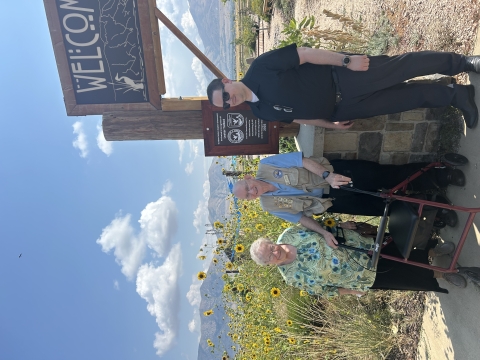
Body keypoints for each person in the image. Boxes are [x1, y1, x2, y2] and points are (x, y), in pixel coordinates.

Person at [207, 44, 479, 129]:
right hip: (344, 108)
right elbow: (298, 117)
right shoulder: (260, 113)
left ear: (227, 81)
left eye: (227, 96)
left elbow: (304, 54)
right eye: (227, 105)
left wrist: (346, 61)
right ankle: (457, 96)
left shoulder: (261, 68)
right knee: (406, 99)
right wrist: (330, 124)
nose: (232, 102)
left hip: (344, 77)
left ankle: (462, 62)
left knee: (403, 67)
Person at [232, 151, 465, 248]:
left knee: (385, 175)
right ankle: (435, 210)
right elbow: (300, 217)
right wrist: (324, 232)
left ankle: (440, 174)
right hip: (332, 201)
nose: (253, 192)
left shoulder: (267, 165)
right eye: (249, 196)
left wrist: (328, 175)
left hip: (333, 174)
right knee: (382, 207)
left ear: (249, 177)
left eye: (248, 187)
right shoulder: (268, 204)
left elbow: (301, 160)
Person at [249, 224, 467, 298]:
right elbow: (327, 291)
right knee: (405, 276)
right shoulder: (291, 278)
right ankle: (445, 274)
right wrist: (353, 292)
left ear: (271, 241)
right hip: (361, 275)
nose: (274, 252)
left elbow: (323, 225)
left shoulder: (290, 234)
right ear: (269, 265)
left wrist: (342, 224)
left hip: (360, 245)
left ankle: (434, 251)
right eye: (269, 257)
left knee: (403, 251)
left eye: (270, 247)